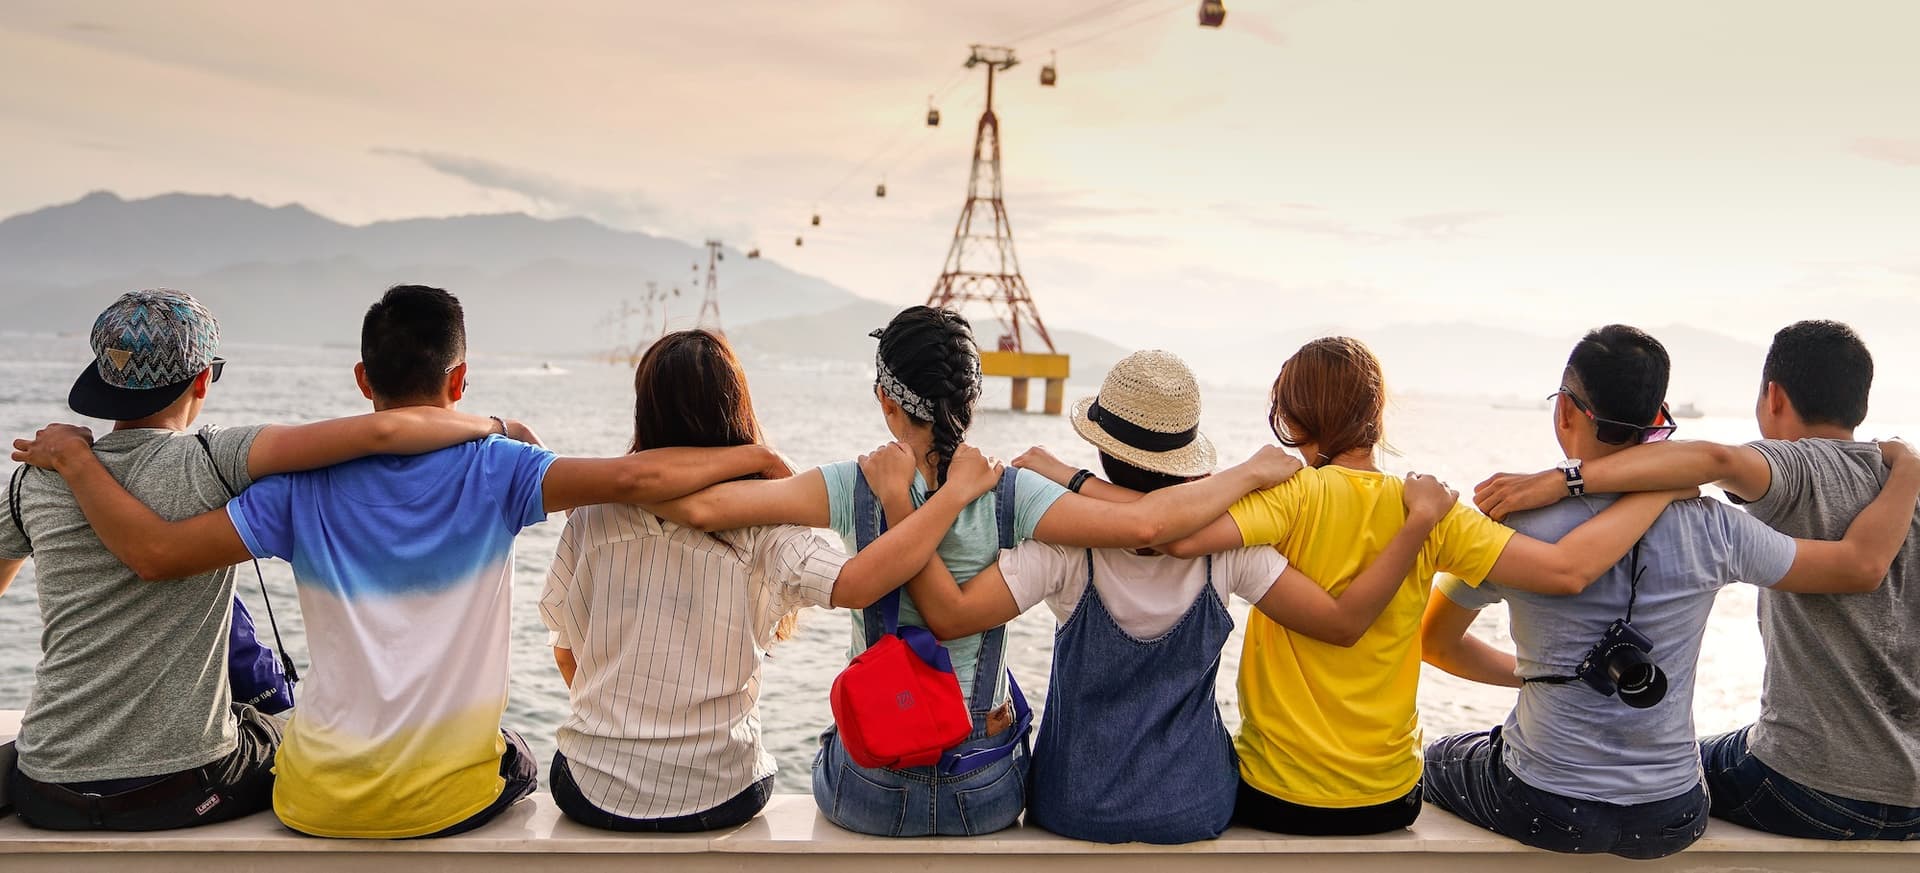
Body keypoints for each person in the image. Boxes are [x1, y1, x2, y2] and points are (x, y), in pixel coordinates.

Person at [10, 285, 793, 839]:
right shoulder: (502, 470)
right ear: (459, 379)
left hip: (313, 801)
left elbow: (161, 552)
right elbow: (637, 479)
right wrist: (756, 457)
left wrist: (77, 464)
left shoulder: (296, 487)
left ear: (362, 379)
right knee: (517, 754)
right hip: (449, 803)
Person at [645, 307, 1301, 837]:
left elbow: (700, 506)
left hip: (871, 787)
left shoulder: (853, 482)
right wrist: (1247, 473)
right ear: (973, 400)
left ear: (886, 402)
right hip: (982, 788)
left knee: (835, 736)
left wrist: (757, 456)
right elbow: (1146, 525)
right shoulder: (1013, 492)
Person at [1029, 336, 1690, 836]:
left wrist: (1067, 478)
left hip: (1277, 794)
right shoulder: (1431, 508)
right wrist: (1658, 484)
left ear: (1294, 419)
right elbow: (1568, 571)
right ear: (1375, 413)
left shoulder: (1290, 496)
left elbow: (1164, 531)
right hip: (1388, 799)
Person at [890, 349, 1475, 844]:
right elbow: (1340, 622)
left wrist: (903, 510)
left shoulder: (1064, 548)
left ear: (1103, 451)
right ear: (1186, 459)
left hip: (1073, 804)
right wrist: (1415, 523)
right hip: (1195, 807)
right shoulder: (1231, 550)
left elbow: (950, 615)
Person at [0, 289, 504, 831]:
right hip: (177, 789)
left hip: (45, 786)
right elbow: (384, 431)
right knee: (287, 735)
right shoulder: (214, 460)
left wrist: (73, 460)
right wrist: (498, 428)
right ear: (202, 380)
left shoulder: (35, 479)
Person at [1419, 325, 1920, 859]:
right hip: (1674, 813)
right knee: (1696, 758)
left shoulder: (1507, 525)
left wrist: (1539, 677)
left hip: (1551, 805)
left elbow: (1434, 641)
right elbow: (1852, 564)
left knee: (1438, 756)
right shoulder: (1715, 526)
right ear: (1659, 421)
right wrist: (1908, 466)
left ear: (1564, 410)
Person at [539, 330, 1007, 832]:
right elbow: (856, 583)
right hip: (721, 791)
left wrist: (628, 735)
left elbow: (567, 653)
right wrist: (950, 496)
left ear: (645, 412)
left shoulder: (592, 516)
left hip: (593, 788)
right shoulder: (766, 528)